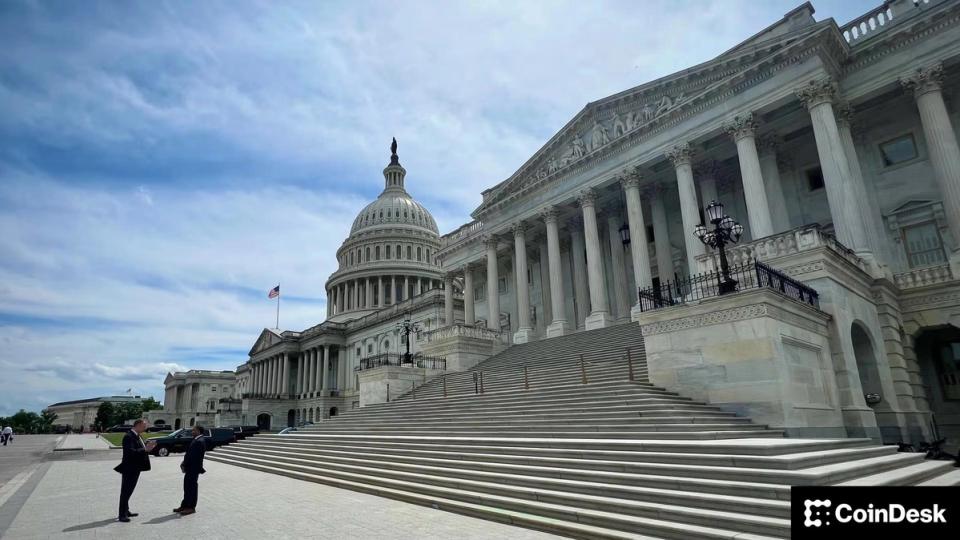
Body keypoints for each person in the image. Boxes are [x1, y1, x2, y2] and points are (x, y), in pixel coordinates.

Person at [113, 419, 155, 522]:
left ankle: (126, 511)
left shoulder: (137, 435)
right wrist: (145, 449)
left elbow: (138, 448)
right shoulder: (128, 436)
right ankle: (122, 515)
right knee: (126, 492)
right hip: (130, 468)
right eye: (144, 426)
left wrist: (147, 446)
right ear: (138, 425)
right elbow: (130, 453)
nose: (145, 428)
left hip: (135, 467)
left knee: (129, 491)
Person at [174, 425, 206, 516]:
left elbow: (195, 457)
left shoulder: (200, 441)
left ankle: (191, 507)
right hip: (190, 468)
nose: (192, 432)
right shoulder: (196, 440)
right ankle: (184, 505)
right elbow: (189, 454)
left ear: (199, 431)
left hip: (193, 468)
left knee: (191, 488)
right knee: (187, 487)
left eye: (194, 430)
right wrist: (184, 463)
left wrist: (185, 465)